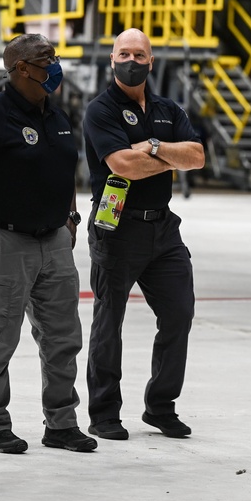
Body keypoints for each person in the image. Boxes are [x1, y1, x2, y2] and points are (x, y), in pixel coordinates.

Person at [0, 34, 97, 454]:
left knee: (63, 339)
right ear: (20, 68)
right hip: (6, 242)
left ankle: (61, 424)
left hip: (55, 243)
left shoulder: (57, 115)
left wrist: (71, 216)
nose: (53, 65)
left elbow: (65, 168)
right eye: (45, 59)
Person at [83, 28, 205, 440]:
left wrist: (151, 146)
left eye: (139, 54)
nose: (131, 61)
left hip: (163, 228)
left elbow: (199, 156)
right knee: (108, 322)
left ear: (151, 62)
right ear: (111, 59)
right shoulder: (100, 110)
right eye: (124, 53)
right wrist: (171, 156)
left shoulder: (168, 108)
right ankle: (103, 413)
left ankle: (160, 406)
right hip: (116, 226)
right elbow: (123, 167)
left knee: (179, 314)